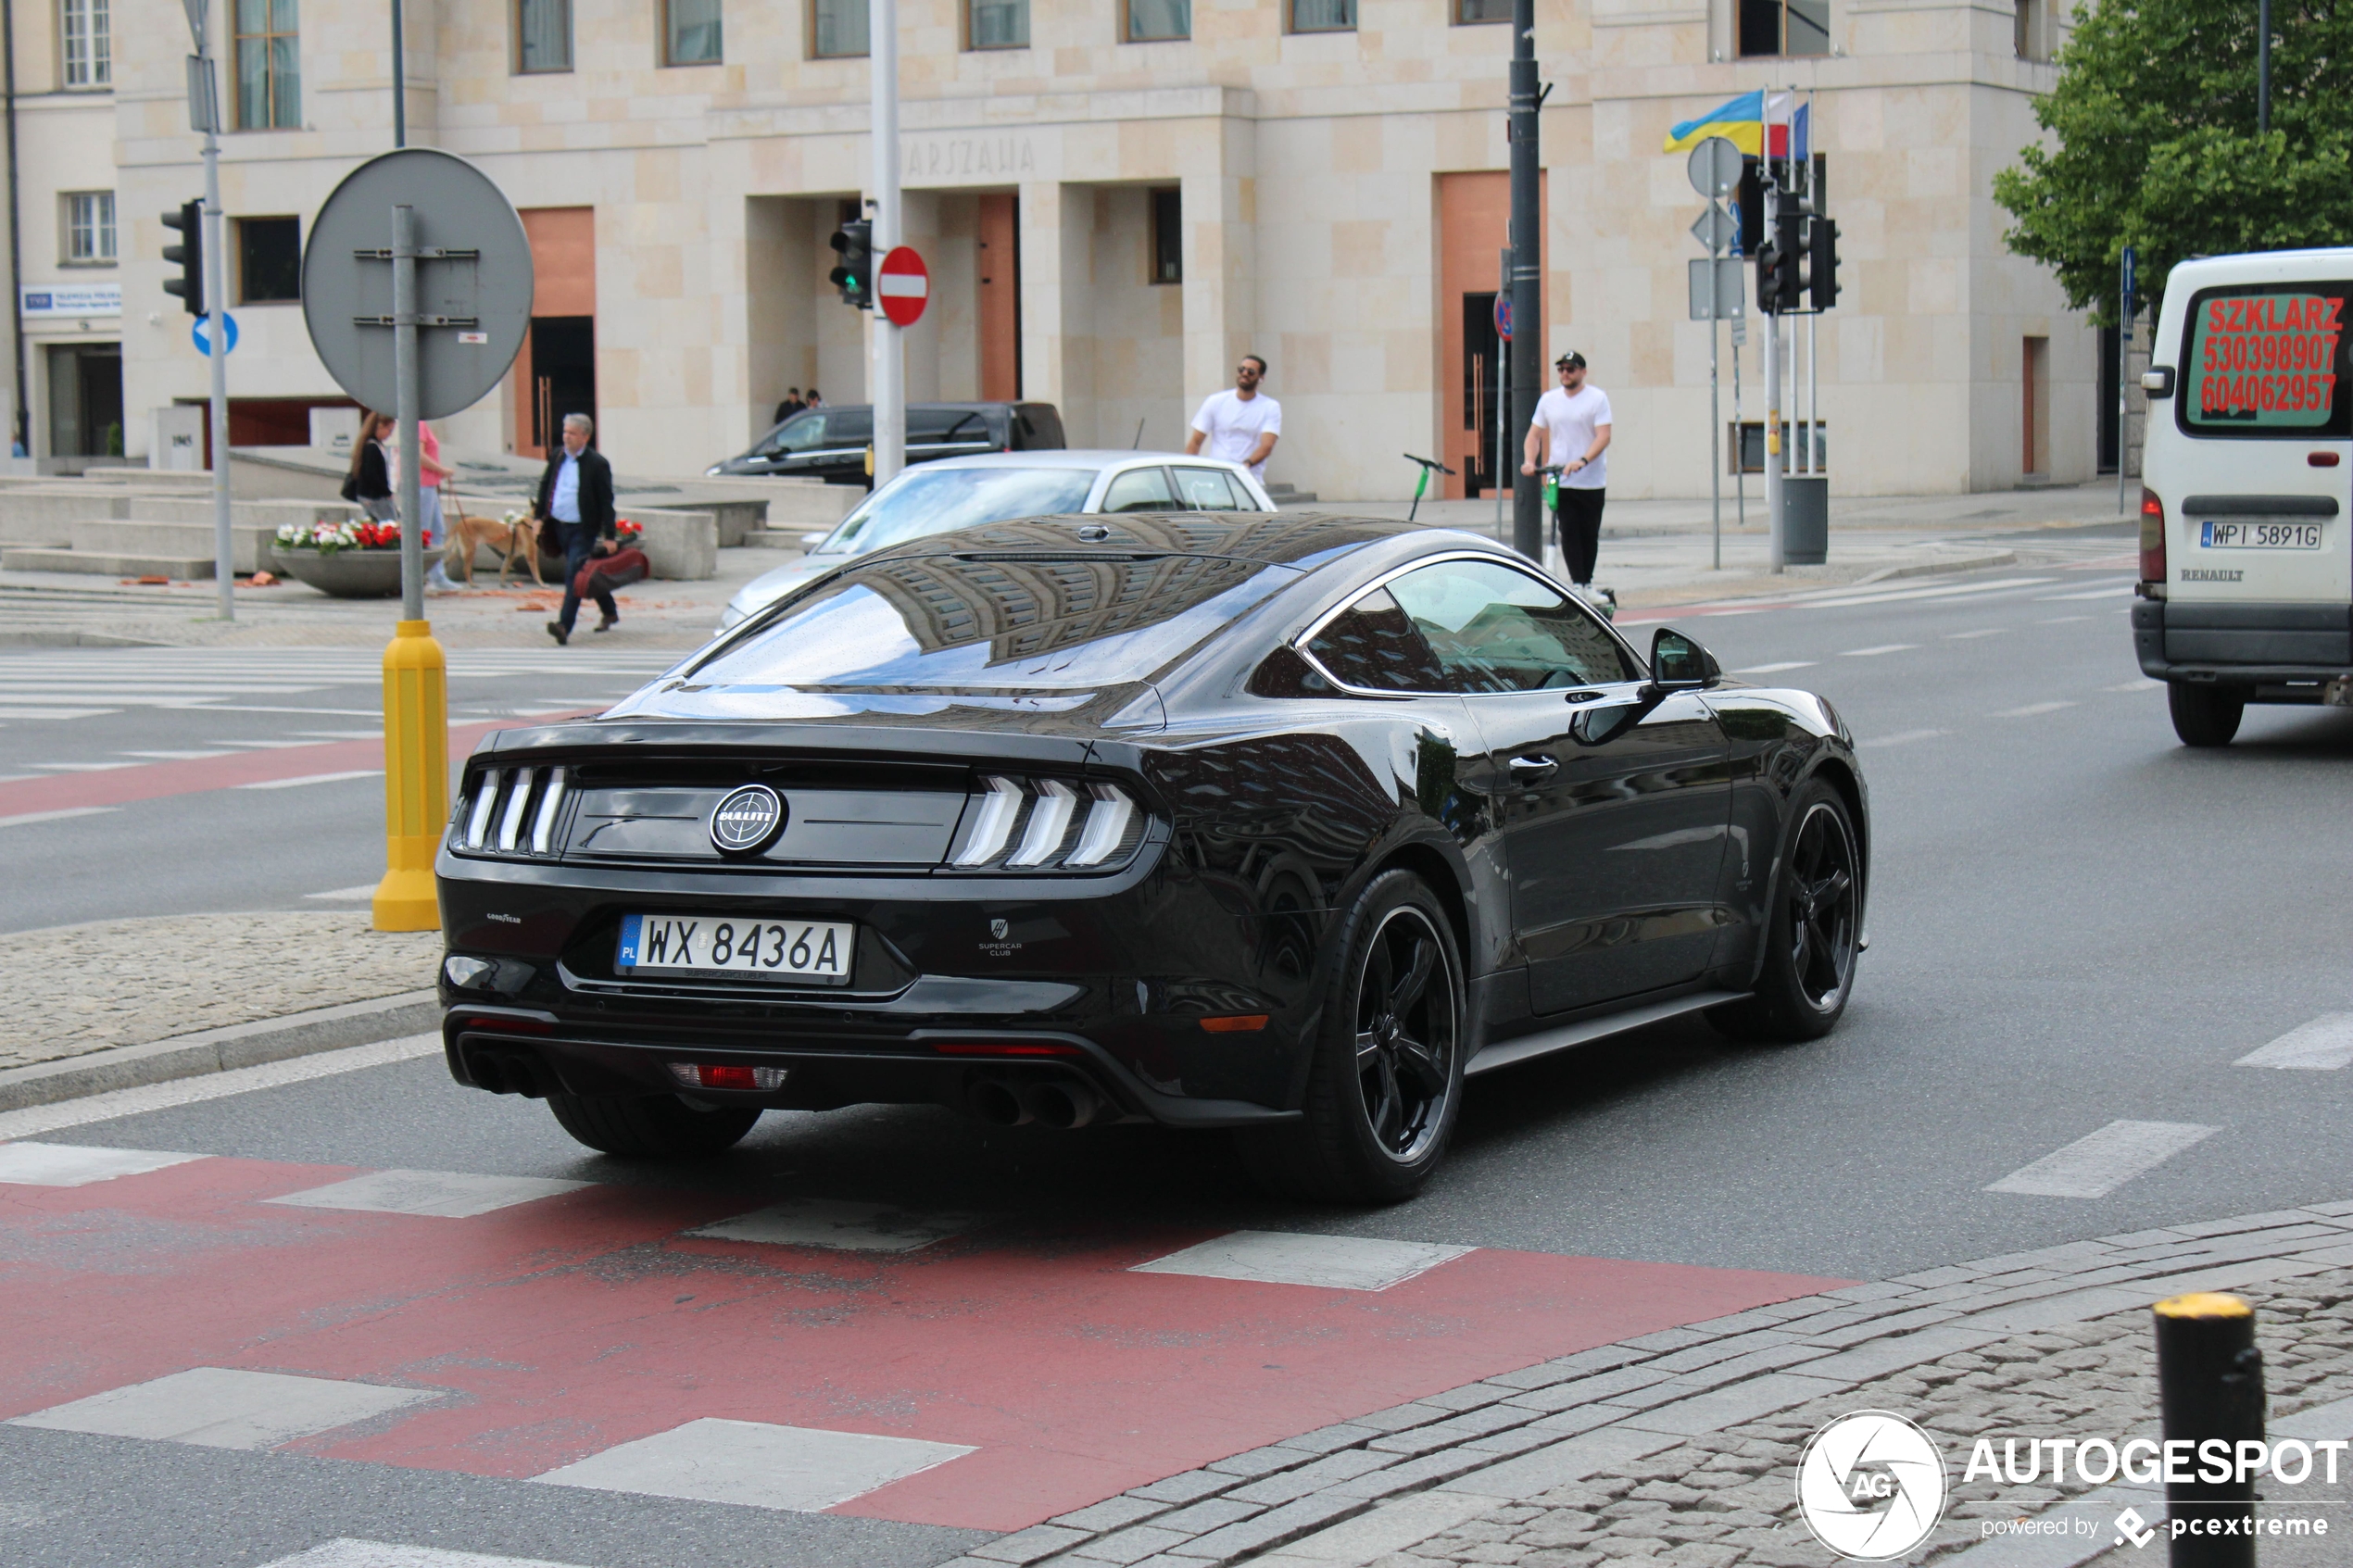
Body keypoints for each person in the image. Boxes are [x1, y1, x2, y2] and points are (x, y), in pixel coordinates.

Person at [1521, 351, 1614, 594]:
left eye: (1570, 369)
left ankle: (1587, 582)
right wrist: (1530, 461)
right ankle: (1576, 584)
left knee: (1589, 533)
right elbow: (1534, 435)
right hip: (1560, 479)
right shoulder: (1549, 400)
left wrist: (1582, 460)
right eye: (1561, 369)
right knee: (1568, 530)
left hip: (1591, 480)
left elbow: (1604, 436)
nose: (1565, 374)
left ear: (1582, 372)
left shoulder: (1597, 398)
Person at [535, 413, 619, 646]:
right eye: (565, 432)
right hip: (559, 526)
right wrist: (538, 517)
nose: (567, 437)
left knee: (573, 574)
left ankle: (564, 626)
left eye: (572, 433)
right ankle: (610, 611)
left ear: (585, 437)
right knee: (584, 571)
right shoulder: (558, 456)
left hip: (583, 529)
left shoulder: (597, 463)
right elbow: (546, 486)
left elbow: (606, 501)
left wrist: (610, 535)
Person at [1186, 355, 1280, 485]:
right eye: (1242, 369)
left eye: (1251, 372)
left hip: (1250, 481)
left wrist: (1245, 466)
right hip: (1217, 479)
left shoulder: (1270, 407)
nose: (1245, 374)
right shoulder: (1215, 401)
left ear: (1261, 378)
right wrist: (1187, 474)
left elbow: (1267, 446)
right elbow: (1196, 441)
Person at [404, 420, 458, 593]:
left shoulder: (421, 425)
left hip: (429, 485)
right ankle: (427, 576)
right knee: (425, 532)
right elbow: (419, 456)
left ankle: (437, 576)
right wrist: (441, 470)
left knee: (436, 530)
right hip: (424, 485)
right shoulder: (418, 424)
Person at [344, 410, 396, 523]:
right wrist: (387, 492)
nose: (390, 435)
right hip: (374, 496)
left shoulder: (373, 445)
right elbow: (371, 474)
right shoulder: (372, 448)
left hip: (371, 495)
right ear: (380, 426)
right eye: (389, 430)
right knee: (389, 526)